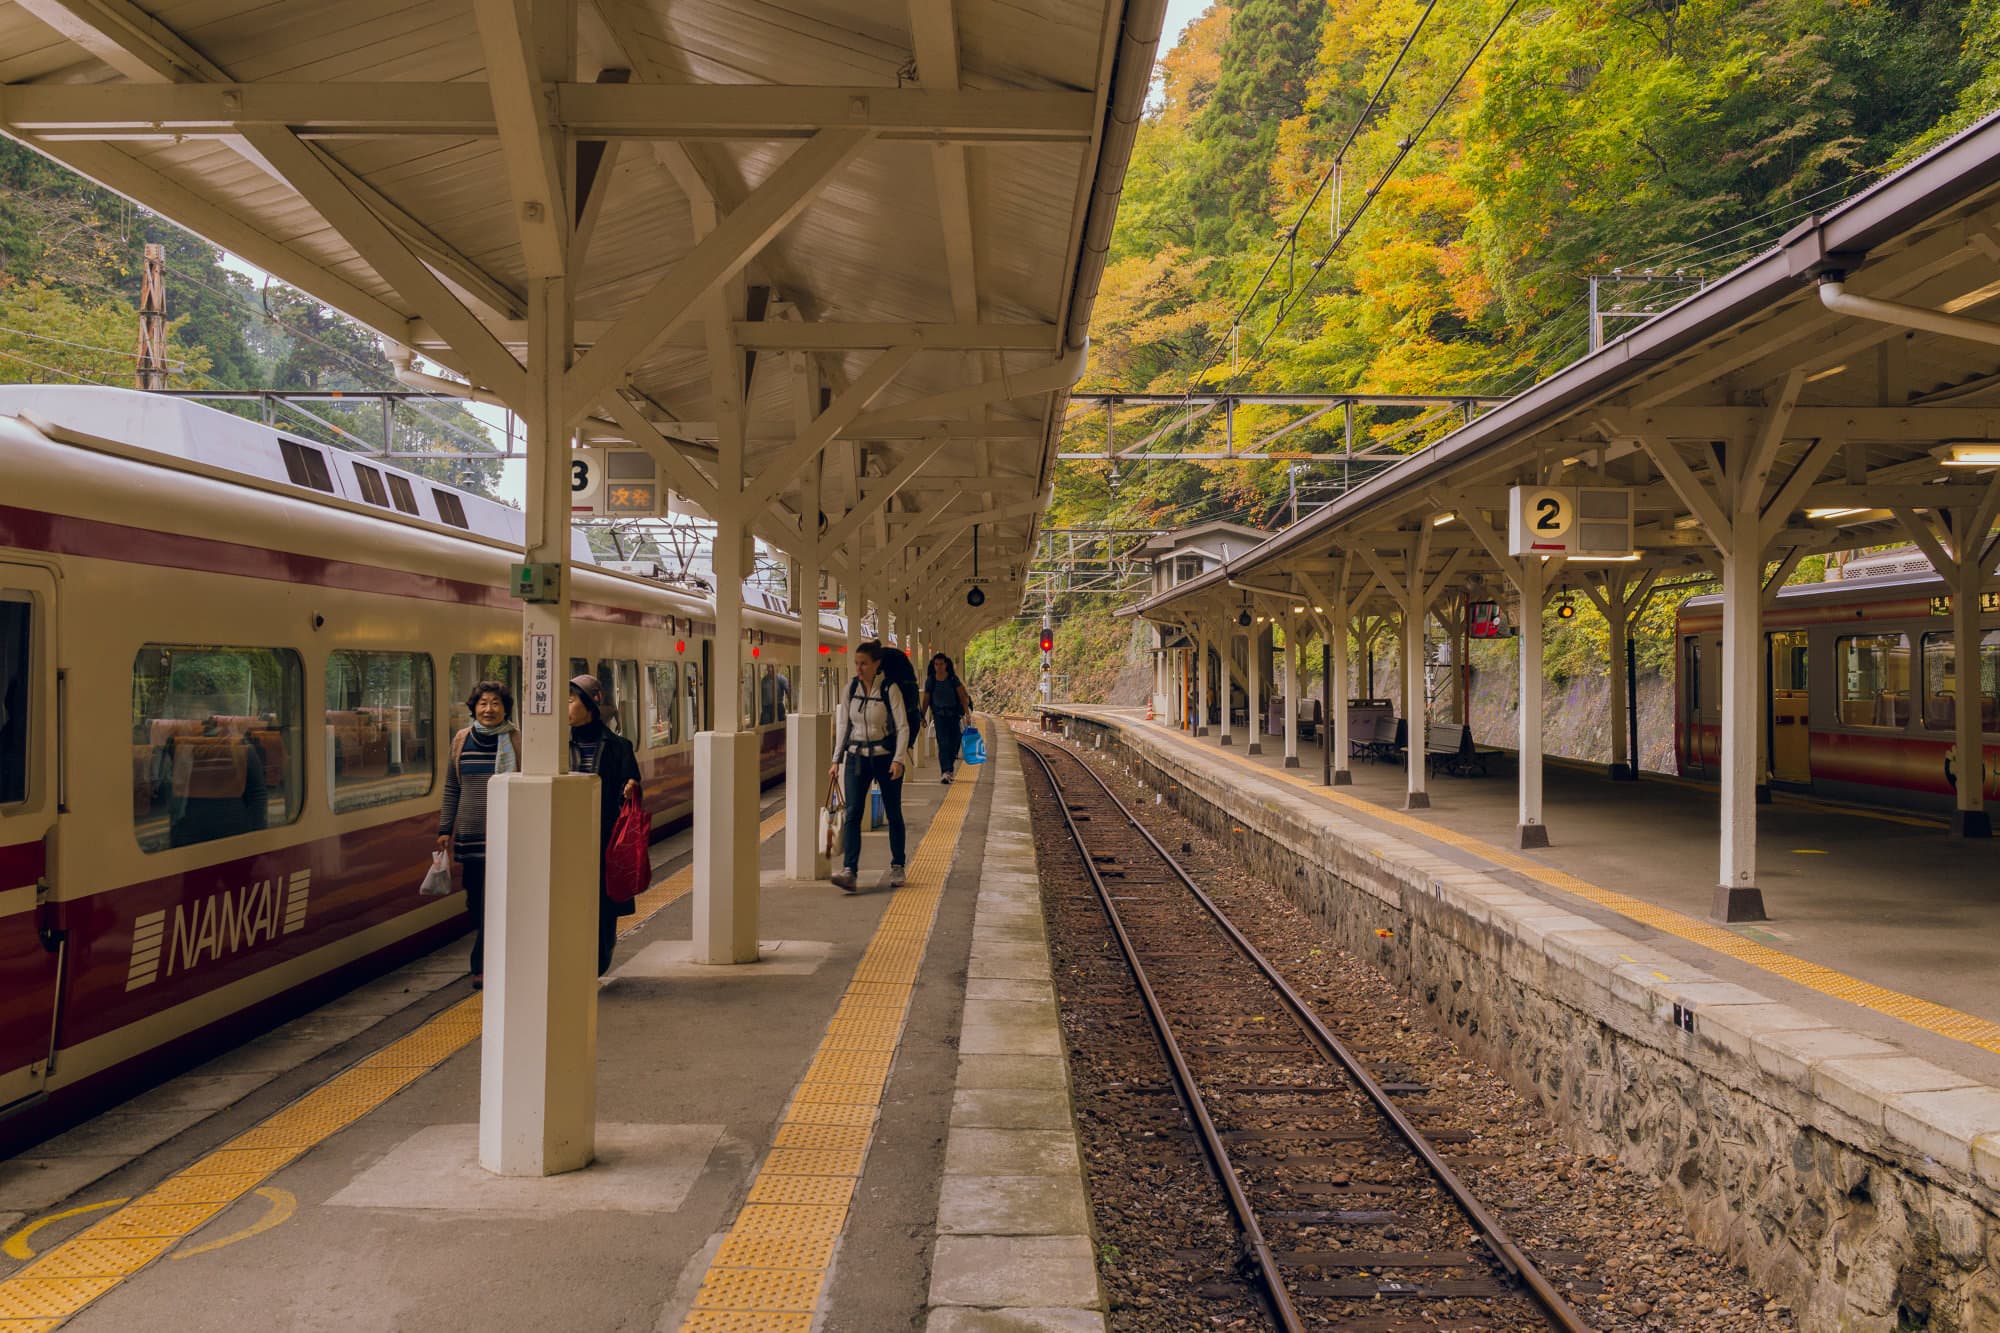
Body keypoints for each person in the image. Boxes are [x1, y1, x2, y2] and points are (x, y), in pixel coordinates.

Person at [437, 680, 517, 989]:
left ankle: (481, 964)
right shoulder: (461, 741)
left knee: (498, 903)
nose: (488, 709)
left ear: (505, 708)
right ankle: (489, 958)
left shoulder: (515, 741)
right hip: (471, 838)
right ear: (474, 708)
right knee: (477, 903)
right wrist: (445, 828)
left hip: (507, 837)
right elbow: (452, 787)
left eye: (495, 703)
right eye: (483, 703)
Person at [569, 675, 644, 975]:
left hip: (605, 841)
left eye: (572, 700)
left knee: (602, 906)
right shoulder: (556, 748)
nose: (566, 706)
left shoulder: (618, 747)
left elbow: (634, 788)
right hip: (569, 842)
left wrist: (631, 788)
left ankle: (597, 962)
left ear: (590, 705)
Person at [828, 641, 913, 893]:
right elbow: (844, 726)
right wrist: (836, 760)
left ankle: (898, 864)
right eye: (856, 663)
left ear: (877, 664)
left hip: (886, 758)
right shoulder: (850, 689)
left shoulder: (889, 689)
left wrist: (898, 759)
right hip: (856, 758)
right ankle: (849, 870)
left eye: (864, 663)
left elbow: (902, 727)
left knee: (893, 812)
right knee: (853, 812)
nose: (859, 668)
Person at [920, 653, 974, 785]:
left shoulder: (952, 679)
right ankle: (945, 771)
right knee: (943, 743)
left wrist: (967, 714)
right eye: (936, 664)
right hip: (939, 716)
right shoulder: (931, 681)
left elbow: (962, 696)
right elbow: (926, 699)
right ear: (933, 666)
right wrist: (922, 715)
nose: (939, 667)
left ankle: (949, 767)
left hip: (954, 715)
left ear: (946, 665)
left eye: (941, 664)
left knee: (955, 741)